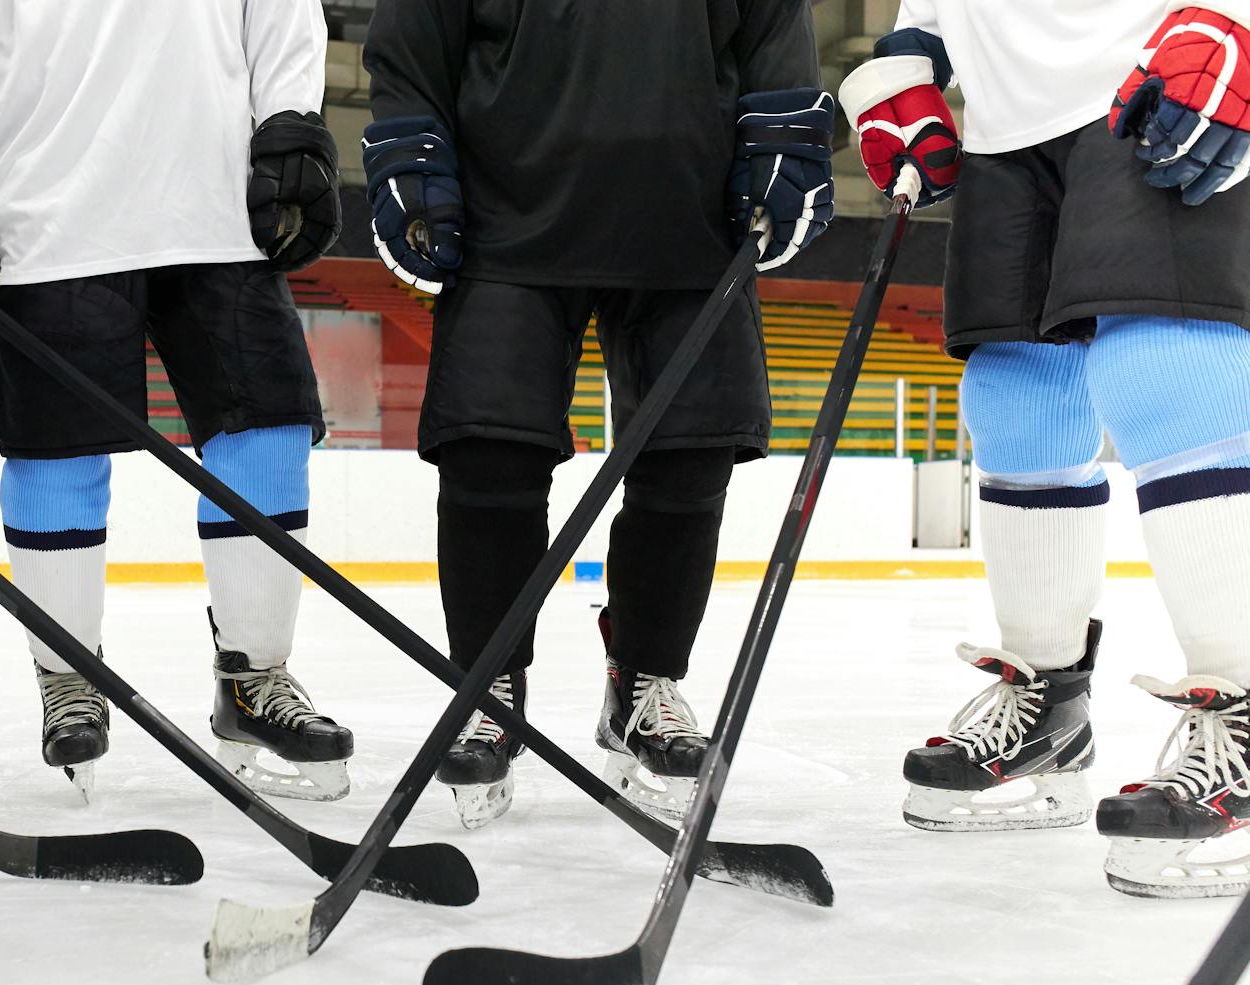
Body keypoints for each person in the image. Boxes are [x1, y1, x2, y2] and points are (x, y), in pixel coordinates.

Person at [361, 0, 834, 828]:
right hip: (505, 216)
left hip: (690, 216)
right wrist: (410, 143)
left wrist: (785, 132)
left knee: (691, 452)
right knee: (489, 447)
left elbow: (773, 33)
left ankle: (644, 679)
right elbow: (411, 42)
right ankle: (488, 685)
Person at [0, 0, 354, 803]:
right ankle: (69, 674)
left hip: (216, 206)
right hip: (46, 208)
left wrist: (291, 118)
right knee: (56, 452)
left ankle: (255, 677)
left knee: (268, 430)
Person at [844, 2, 1250, 897]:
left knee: (1165, 365)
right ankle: (1049, 709)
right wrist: (915, 59)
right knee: (1017, 393)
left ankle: (1246, 708)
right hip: (1003, 118)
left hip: (1163, 59)